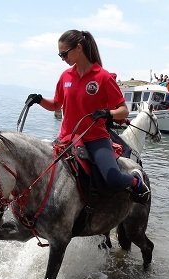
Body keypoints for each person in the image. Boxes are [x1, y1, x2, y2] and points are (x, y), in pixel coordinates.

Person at [24, 29, 148, 201]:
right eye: (60, 55)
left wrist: (108, 113)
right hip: (65, 139)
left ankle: (135, 181)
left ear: (79, 48)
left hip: (95, 139)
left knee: (112, 179)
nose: (63, 59)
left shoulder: (103, 77)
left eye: (64, 54)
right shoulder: (65, 76)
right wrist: (38, 100)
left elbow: (123, 110)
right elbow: (55, 105)